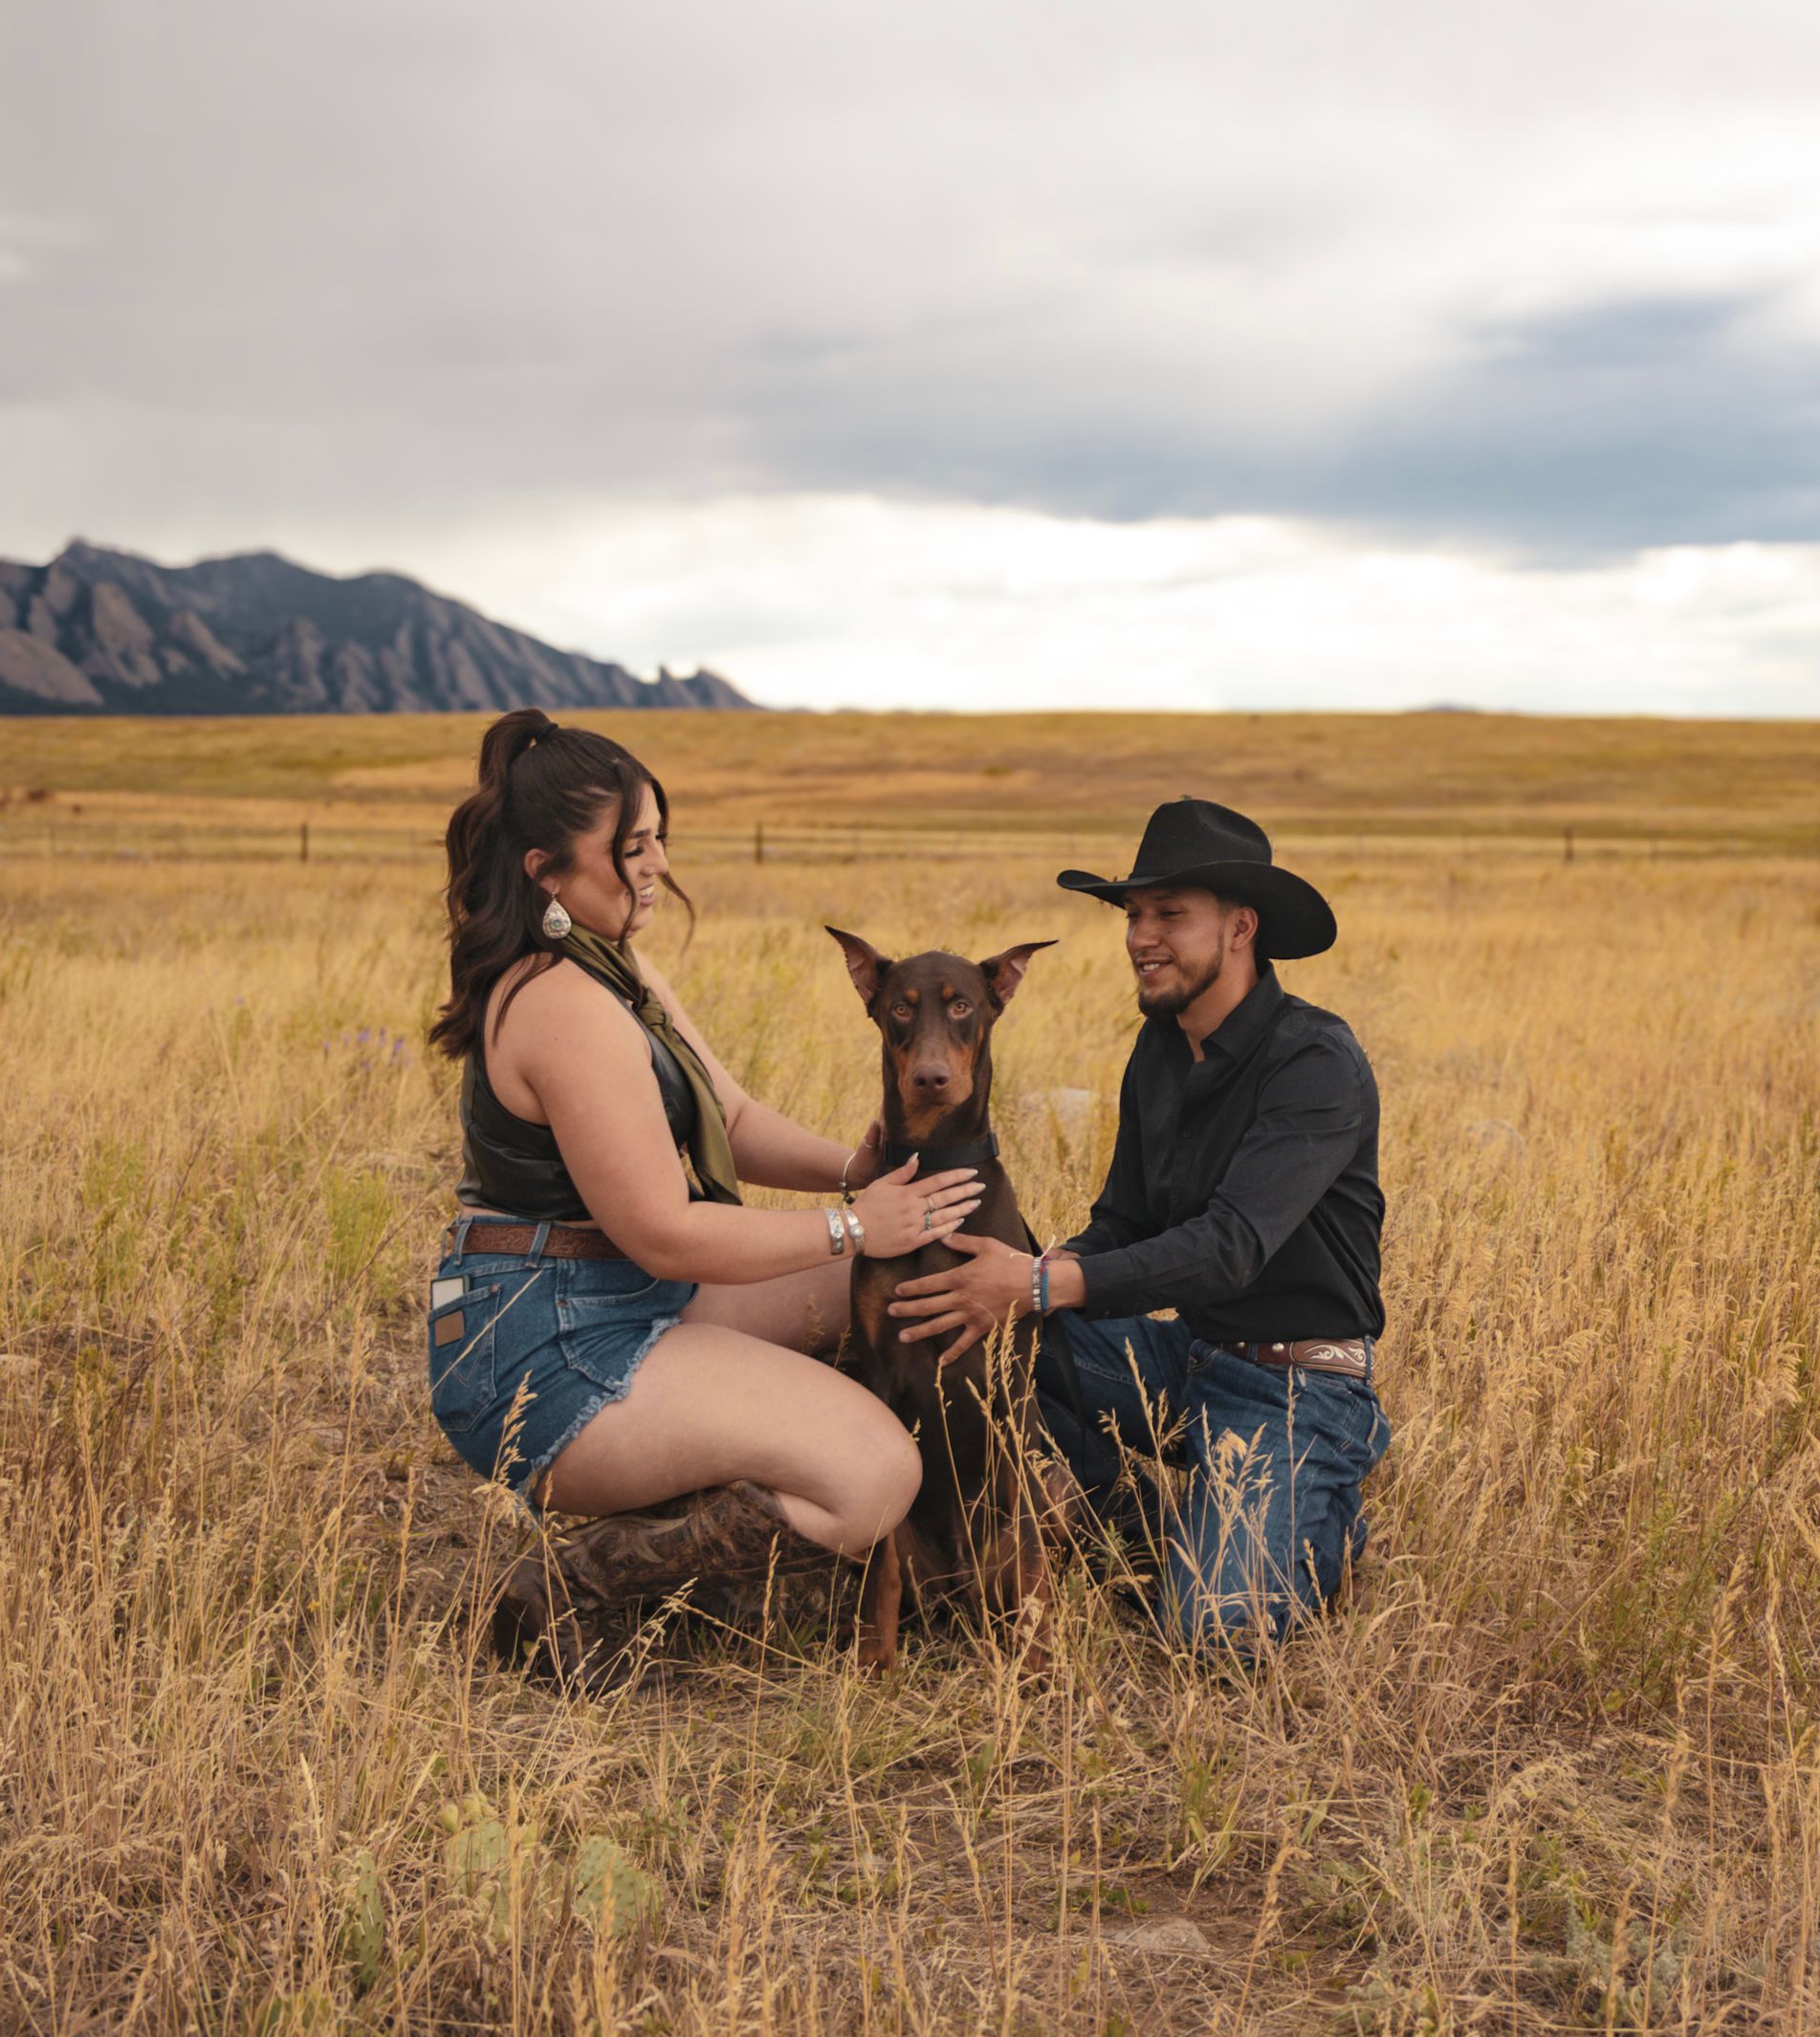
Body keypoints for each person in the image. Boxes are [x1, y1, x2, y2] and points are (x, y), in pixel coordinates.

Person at [427, 709, 982, 1657]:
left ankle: (927, 1550)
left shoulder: (613, 968)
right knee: (871, 1472)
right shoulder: (561, 1004)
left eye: (659, 839)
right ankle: (593, 1574)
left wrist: (864, 1169)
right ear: (546, 869)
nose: (656, 866)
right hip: (550, 1351)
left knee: (934, 1280)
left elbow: (731, 1122)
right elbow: (667, 1231)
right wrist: (853, 1225)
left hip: (620, 1298)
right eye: (630, 846)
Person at [887, 797, 1389, 1649]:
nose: (1140, 936)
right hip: (1180, 1361)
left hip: (1297, 1388)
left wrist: (1042, 1282)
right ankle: (1131, 1516)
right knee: (974, 1331)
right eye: (1133, 915)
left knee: (1208, 1633)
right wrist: (1022, 1281)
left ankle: (1313, 1521)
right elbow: (1122, 1221)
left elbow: (1230, 1248)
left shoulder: (1315, 1060)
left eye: (1169, 915)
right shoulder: (1158, 1048)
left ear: (1240, 929)